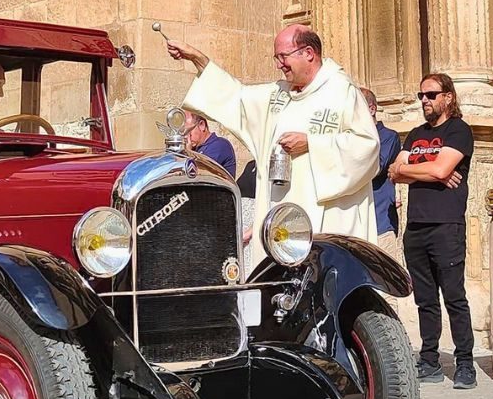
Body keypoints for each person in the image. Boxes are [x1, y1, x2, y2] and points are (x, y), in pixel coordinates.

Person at [166, 25, 380, 265]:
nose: (279, 65)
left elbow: (367, 146)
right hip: (280, 219)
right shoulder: (279, 95)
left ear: (308, 53)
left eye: (283, 57)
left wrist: (312, 143)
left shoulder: (342, 91)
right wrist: (197, 57)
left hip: (326, 220)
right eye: (276, 58)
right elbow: (235, 97)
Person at [389, 73, 475, 389]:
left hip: (446, 224)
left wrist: (427, 171)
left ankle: (465, 363)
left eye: (430, 94)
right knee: (424, 299)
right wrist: (434, 174)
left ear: (448, 97)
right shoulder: (414, 134)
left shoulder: (459, 131)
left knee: (454, 296)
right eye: (421, 95)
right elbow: (394, 173)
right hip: (417, 226)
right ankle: (429, 359)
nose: (424, 100)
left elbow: (440, 168)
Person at [363, 87, 403, 264]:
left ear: (372, 109)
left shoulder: (387, 137)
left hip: (380, 222)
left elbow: (374, 168)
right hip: (357, 223)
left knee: (385, 285)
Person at [184, 109, 237, 177]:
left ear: (201, 125)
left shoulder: (220, 145)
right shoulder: (195, 148)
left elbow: (196, 172)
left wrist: (187, 152)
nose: (186, 136)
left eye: (188, 131)